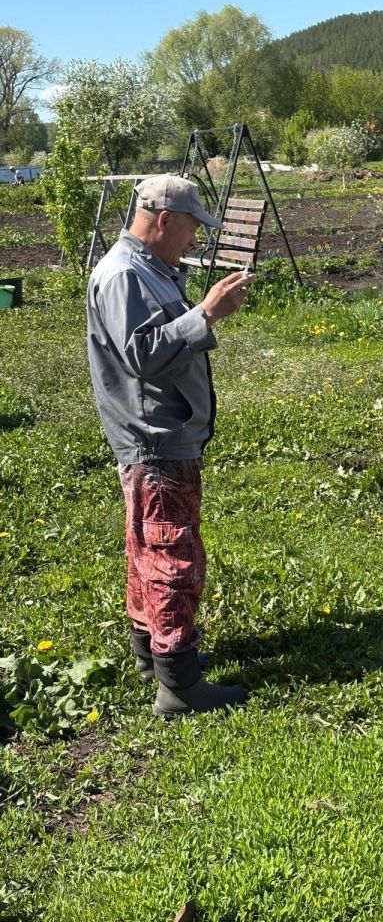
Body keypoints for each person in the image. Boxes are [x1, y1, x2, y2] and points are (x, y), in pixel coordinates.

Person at [86, 174, 253, 718]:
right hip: (156, 439)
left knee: (148, 549)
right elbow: (142, 355)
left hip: (161, 435)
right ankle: (179, 685)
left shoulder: (149, 270)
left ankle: (151, 655)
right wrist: (205, 313)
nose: (194, 238)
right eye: (190, 227)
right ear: (163, 220)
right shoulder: (123, 274)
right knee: (171, 556)